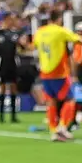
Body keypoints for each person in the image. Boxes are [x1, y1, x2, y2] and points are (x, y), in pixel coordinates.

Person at [33, 12, 77, 141]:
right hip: (59, 72)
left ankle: (53, 131)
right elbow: (76, 39)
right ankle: (62, 128)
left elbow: (34, 44)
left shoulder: (40, 32)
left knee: (51, 101)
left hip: (45, 72)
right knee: (70, 100)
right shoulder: (60, 31)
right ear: (58, 19)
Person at [0, 27, 21, 123]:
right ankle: (1, 116)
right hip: (3, 65)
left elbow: (19, 47)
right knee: (3, 89)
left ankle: (13, 116)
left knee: (13, 89)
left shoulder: (14, 35)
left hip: (12, 64)